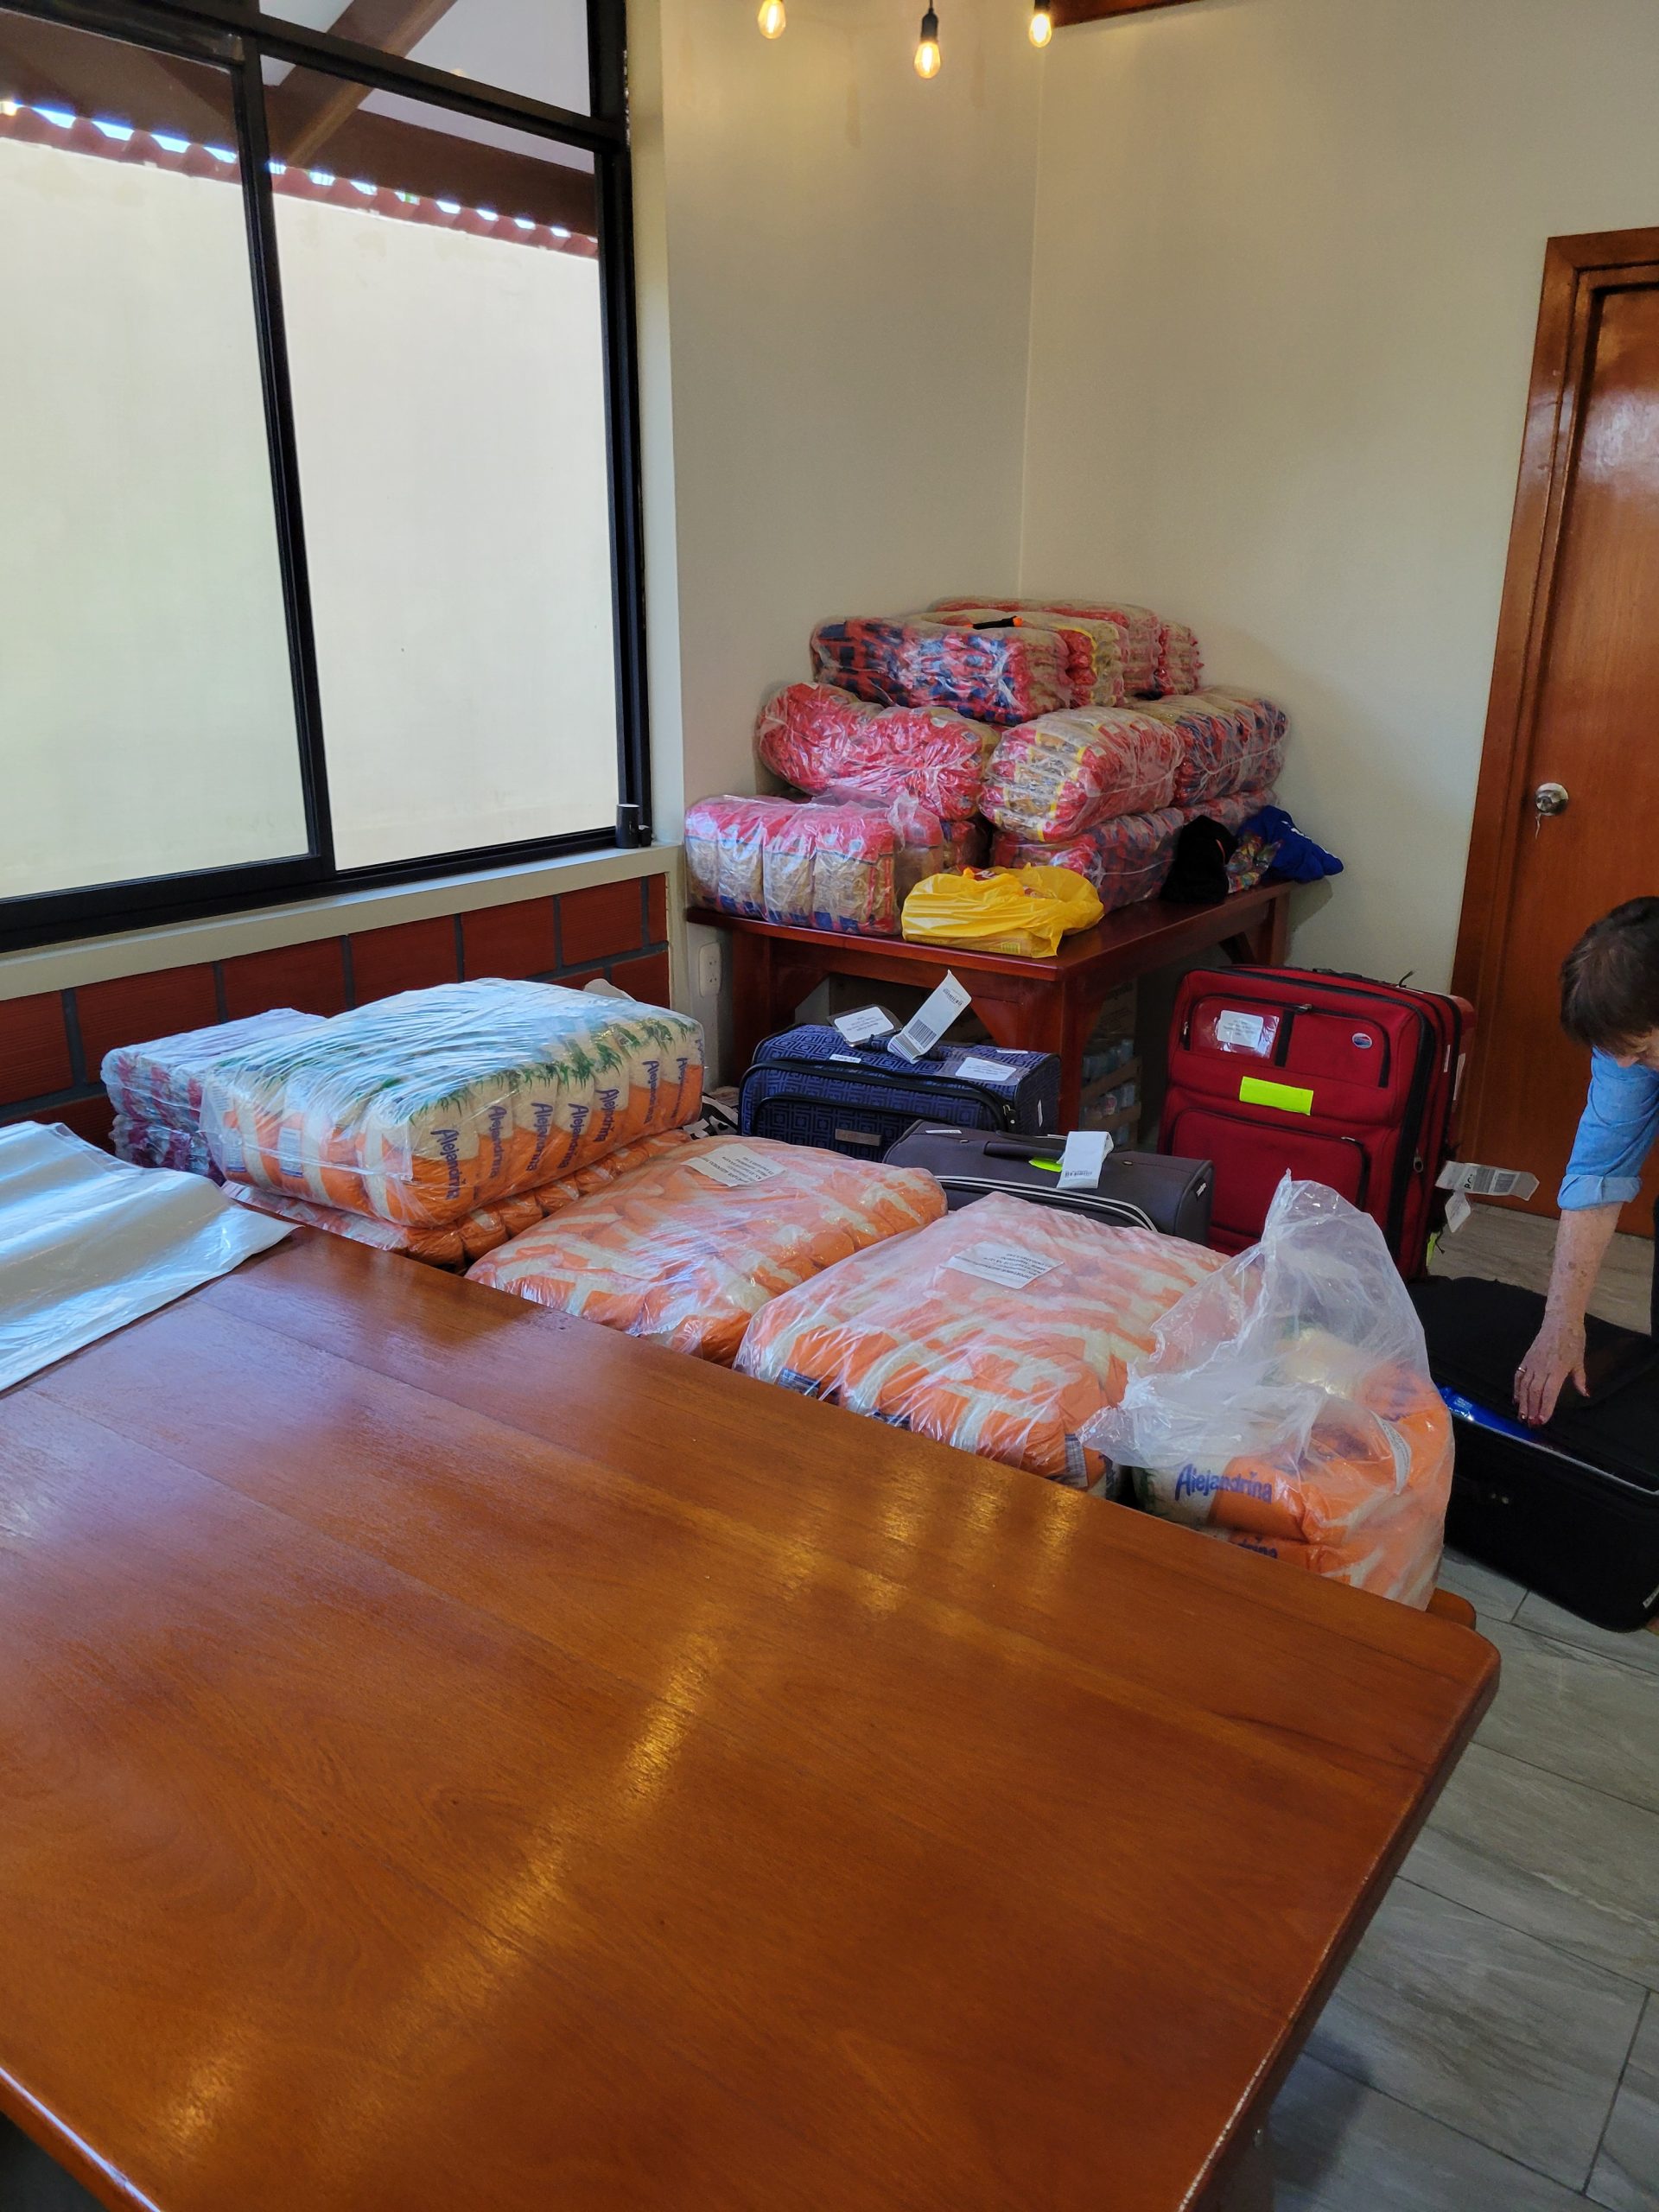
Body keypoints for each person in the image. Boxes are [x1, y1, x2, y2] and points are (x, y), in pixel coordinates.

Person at [1515, 898, 1659, 1425]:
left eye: (1641, 1051)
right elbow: (1601, 1165)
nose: (1627, 1066)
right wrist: (1562, 1323)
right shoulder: (1629, 1041)